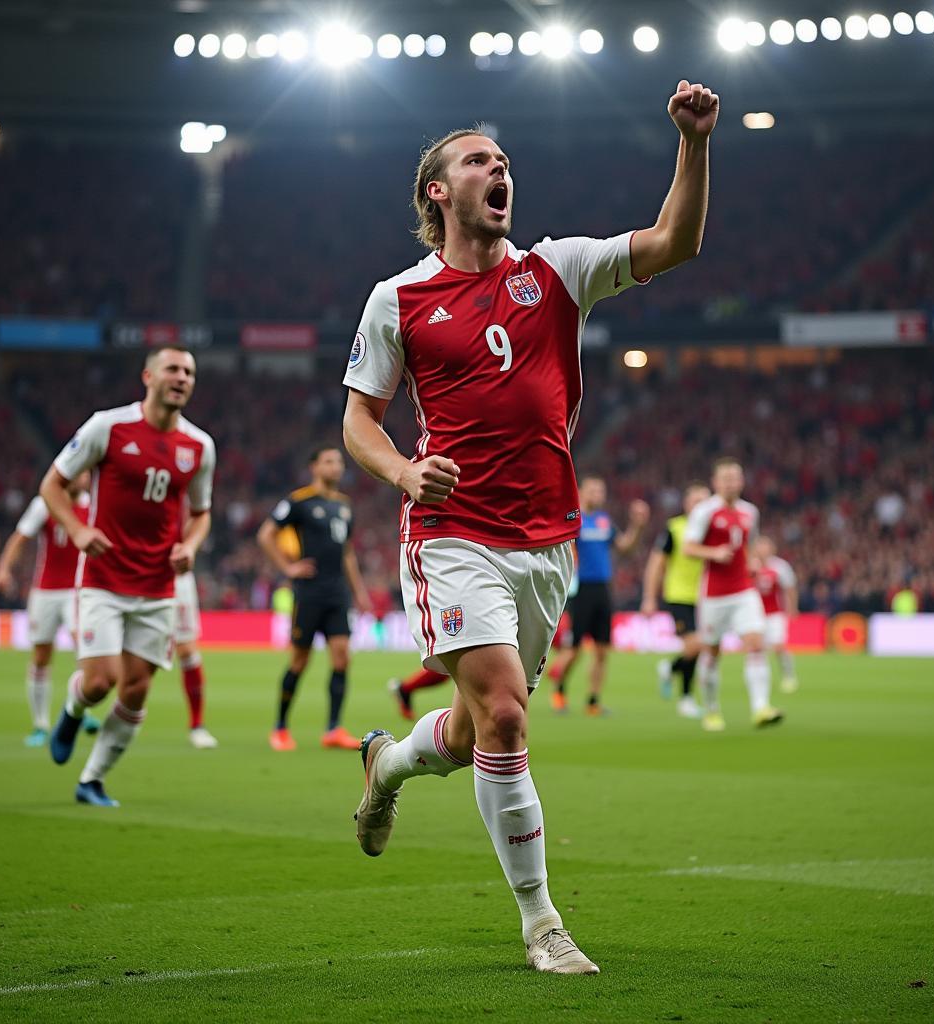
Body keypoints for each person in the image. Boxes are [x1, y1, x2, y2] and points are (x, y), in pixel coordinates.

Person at [341, 78, 719, 974]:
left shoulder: (558, 268)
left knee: (479, 732)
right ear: (440, 191)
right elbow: (358, 419)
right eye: (478, 160)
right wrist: (401, 470)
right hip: (452, 532)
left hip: (547, 543)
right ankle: (543, 923)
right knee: (507, 713)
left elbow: (678, 241)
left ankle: (388, 765)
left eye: (504, 160)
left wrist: (694, 143)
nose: (498, 169)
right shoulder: (398, 300)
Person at [42, 345, 215, 807]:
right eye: (173, 369)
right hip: (102, 577)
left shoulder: (199, 446)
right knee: (100, 681)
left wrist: (190, 546)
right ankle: (72, 710)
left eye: (189, 372)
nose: (182, 378)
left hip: (159, 586)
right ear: (148, 376)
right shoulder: (108, 426)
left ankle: (91, 779)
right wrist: (77, 529)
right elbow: (52, 484)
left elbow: (201, 514)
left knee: (136, 689)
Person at [257, 446, 373, 752]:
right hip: (309, 592)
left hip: (338, 593)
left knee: (342, 657)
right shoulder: (299, 501)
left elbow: (346, 552)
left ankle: (333, 729)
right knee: (299, 660)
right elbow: (266, 533)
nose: (336, 467)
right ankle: (280, 728)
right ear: (314, 467)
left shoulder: (345, 506)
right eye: (329, 461)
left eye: (339, 462)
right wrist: (288, 568)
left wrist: (359, 592)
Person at [0, 471, 99, 746]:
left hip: (78, 591)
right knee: (41, 657)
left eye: (87, 475)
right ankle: (40, 724)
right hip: (45, 592)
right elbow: (20, 537)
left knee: (85, 651)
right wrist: (4, 568)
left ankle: (81, 709)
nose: (85, 479)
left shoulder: (94, 504)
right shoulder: (45, 503)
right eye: (81, 474)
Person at [683, 458, 783, 732]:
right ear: (716, 482)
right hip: (714, 594)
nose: (731, 483)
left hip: (743, 590)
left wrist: (751, 561)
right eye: (725, 478)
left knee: (755, 643)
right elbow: (688, 548)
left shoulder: (750, 512)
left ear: (741, 481)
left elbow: (750, 546)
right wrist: (713, 553)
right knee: (712, 652)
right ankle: (712, 710)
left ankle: (760, 707)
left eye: (735, 478)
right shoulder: (705, 511)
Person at [546, 476, 649, 715]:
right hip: (580, 590)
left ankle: (593, 701)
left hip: (603, 589)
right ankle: (559, 689)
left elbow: (625, 547)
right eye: (592, 490)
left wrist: (638, 526)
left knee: (602, 650)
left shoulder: (604, 521)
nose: (597, 494)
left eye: (600, 490)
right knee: (575, 649)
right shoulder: (573, 520)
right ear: (581, 491)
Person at [640, 481, 709, 719]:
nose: (700, 506)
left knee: (698, 648)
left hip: (706, 596)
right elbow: (656, 564)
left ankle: (672, 672)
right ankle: (685, 696)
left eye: (704, 501)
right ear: (687, 504)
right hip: (679, 595)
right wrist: (649, 597)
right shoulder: (675, 528)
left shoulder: (712, 530)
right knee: (695, 644)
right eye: (695, 501)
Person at [173, 569, 219, 748]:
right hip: (135, 573)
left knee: (187, 651)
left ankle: (197, 725)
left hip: (176, 576)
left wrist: (190, 547)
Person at [753, 536, 799, 694]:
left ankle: (789, 675)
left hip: (775, 614)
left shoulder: (780, 566)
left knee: (779, 646)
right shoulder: (751, 565)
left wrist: (792, 608)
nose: (762, 549)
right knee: (758, 649)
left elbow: (790, 588)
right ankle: (762, 681)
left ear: (772, 549)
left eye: (765, 546)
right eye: (760, 546)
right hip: (755, 615)